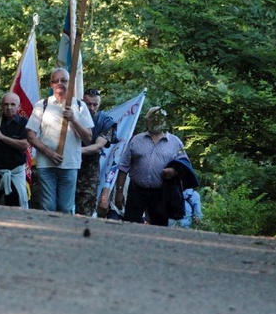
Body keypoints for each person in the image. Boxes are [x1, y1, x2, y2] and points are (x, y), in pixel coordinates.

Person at [26, 68, 93, 214]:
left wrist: (73, 120)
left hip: (69, 164)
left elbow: (88, 138)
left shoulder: (79, 106)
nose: (59, 83)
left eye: (64, 80)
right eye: (55, 81)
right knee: (47, 207)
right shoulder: (42, 105)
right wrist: (48, 152)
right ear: (51, 84)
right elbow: (30, 135)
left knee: (66, 208)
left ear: (70, 83)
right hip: (46, 164)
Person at [114, 106, 190, 226]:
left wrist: (174, 171)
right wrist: (119, 193)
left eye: (160, 118)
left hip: (161, 193)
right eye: (153, 118)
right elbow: (123, 167)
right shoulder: (136, 140)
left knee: (159, 227)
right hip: (136, 191)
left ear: (164, 121)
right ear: (147, 120)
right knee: (129, 225)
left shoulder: (175, 142)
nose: (156, 121)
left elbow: (184, 165)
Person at [0, 92, 30, 207]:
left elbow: (24, 144)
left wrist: (2, 137)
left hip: (15, 172)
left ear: (18, 106)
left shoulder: (24, 122)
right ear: (1, 106)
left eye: (13, 104)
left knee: (16, 207)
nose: (9, 108)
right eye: (6, 104)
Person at [76, 88, 116, 216]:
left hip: (89, 171)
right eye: (88, 104)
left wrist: (74, 151)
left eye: (95, 104)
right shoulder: (73, 116)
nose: (92, 108)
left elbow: (98, 146)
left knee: (85, 208)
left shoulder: (105, 121)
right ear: (82, 102)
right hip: (67, 166)